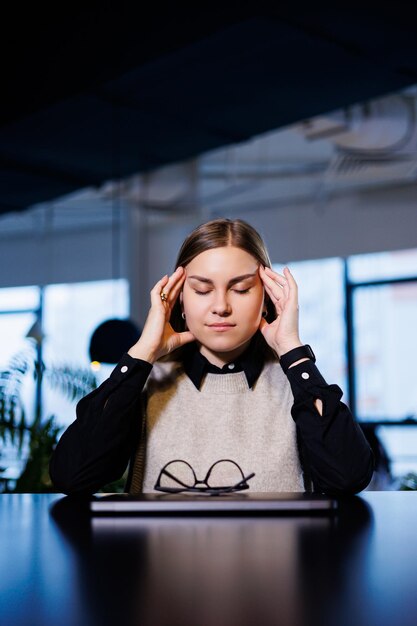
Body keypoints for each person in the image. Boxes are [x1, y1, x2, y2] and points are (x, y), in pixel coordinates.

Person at [49, 218, 374, 496]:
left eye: (242, 288)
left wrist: (292, 350)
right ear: (178, 300)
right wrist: (142, 354)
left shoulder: (294, 384)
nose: (221, 306)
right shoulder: (146, 384)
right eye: (202, 290)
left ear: (266, 298)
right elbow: (73, 476)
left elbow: (348, 477)